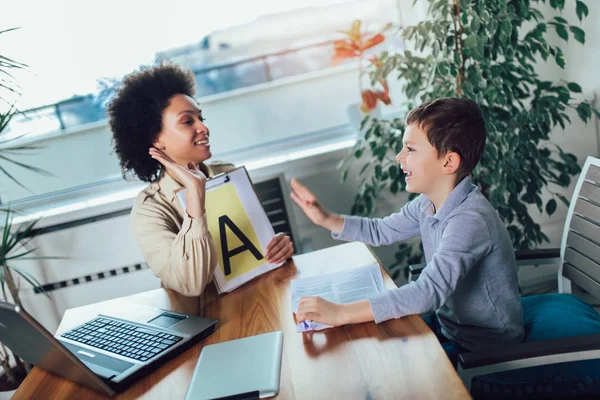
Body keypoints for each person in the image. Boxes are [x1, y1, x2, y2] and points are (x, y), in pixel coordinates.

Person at [291, 97, 524, 365]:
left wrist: (340, 313)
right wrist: (326, 218)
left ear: (448, 163)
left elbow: (428, 292)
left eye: (410, 149)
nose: (399, 157)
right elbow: (381, 230)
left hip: (486, 348)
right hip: (450, 327)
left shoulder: (470, 220)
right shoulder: (429, 203)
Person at [108, 63, 294, 297]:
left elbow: (254, 254)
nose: (203, 127)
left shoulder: (229, 174)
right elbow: (191, 284)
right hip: (204, 317)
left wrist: (277, 248)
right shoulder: (150, 209)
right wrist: (195, 196)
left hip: (259, 299)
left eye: (201, 117)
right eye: (188, 121)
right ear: (156, 138)